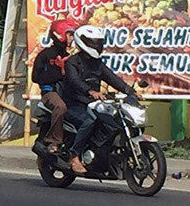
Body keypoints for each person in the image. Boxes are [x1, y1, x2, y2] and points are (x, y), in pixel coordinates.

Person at [63, 25, 137, 174]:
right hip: (74, 103)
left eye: (98, 42)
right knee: (88, 121)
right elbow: (74, 81)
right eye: (92, 42)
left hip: (92, 103)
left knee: (112, 120)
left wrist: (130, 91)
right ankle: (74, 155)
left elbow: (112, 78)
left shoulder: (97, 63)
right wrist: (90, 91)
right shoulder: (72, 62)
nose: (96, 46)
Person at [32, 18, 78, 153]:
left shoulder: (70, 56)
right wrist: (61, 73)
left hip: (66, 92)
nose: (71, 38)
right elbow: (36, 77)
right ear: (60, 34)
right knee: (60, 107)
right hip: (50, 93)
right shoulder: (45, 55)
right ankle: (54, 141)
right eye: (69, 34)